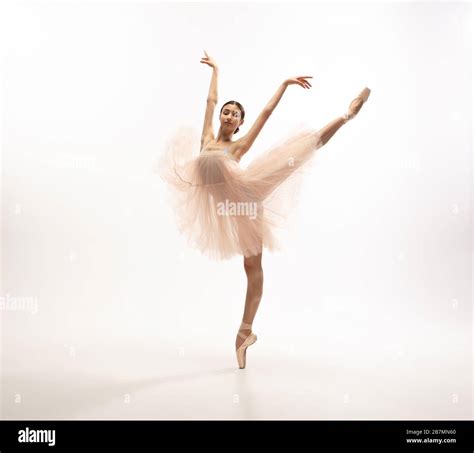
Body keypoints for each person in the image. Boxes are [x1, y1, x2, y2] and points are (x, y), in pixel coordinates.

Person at [158, 50, 371, 369]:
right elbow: (209, 102)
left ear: (240, 124)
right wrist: (216, 69)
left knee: (298, 152)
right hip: (236, 209)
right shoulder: (206, 140)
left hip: (250, 188)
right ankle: (245, 335)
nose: (228, 116)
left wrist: (284, 84)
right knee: (250, 267)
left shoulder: (238, 147)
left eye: (235, 115)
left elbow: (267, 113)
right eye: (227, 112)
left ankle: (346, 116)